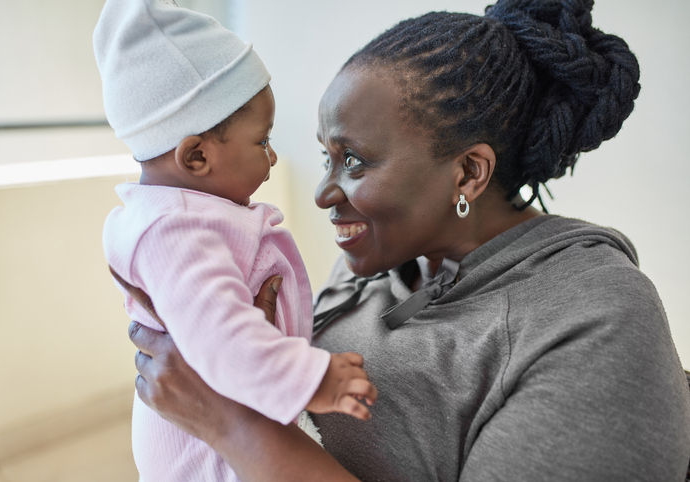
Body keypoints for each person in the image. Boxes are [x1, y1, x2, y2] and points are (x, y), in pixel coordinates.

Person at [123, 0, 690, 480]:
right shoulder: (373, 262)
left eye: (355, 161)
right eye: (328, 157)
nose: (323, 193)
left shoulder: (592, 321)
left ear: (467, 173)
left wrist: (225, 422)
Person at [93, 1, 377, 481]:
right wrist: (312, 380)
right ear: (197, 156)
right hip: (203, 455)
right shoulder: (174, 231)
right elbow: (221, 338)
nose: (271, 157)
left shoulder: (185, 218)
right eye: (262, 141)